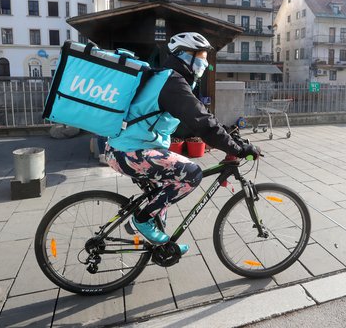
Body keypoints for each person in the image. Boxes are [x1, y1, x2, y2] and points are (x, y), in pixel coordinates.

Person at [105, 32, 260, 254]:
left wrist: (230, 138)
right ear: (186, 56)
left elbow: (196, 120)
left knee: (162, 195)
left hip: (127, 149)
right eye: (202, 56)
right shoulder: (172, 82)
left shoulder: (169, 78)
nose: (204, 63)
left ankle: (158, 240)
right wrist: (237, 148)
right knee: (192, 173)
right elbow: (202, 123)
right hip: (130, 152)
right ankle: (141, 219)